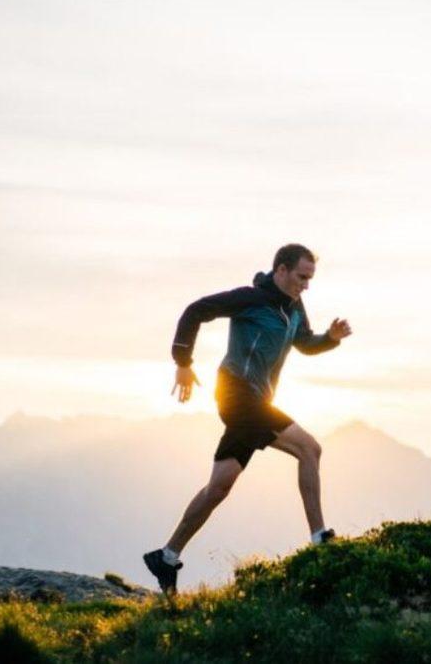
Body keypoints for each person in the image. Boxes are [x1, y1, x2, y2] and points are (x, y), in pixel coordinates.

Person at [143, 243, 353, 595]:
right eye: (302, 277)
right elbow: (196, 310)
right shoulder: (250, 299)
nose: (306, 285)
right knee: (310, 449)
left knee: (219, 487)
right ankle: (320, 539)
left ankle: (166, 555)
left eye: (310, 278)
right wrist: (183, 362)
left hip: (257, 400)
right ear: (281, 270)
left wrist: (329, 339)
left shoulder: (294, 307)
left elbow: (304, 343)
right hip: (237, 394)